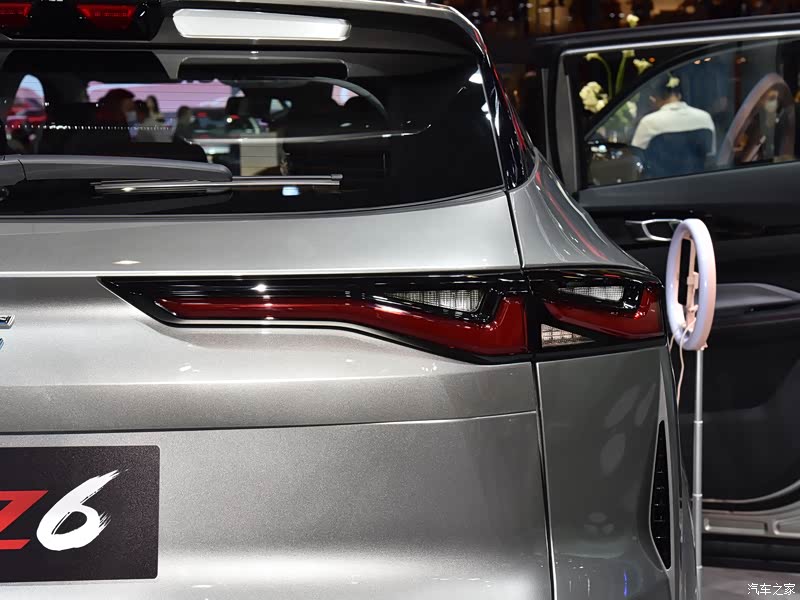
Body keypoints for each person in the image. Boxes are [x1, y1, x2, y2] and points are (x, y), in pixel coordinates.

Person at [631, 73, 716, 152]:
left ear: (653, 98)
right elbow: (710, 155)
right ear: (679, 95)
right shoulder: (705, 118)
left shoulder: (649, 123)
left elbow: (635, 156)